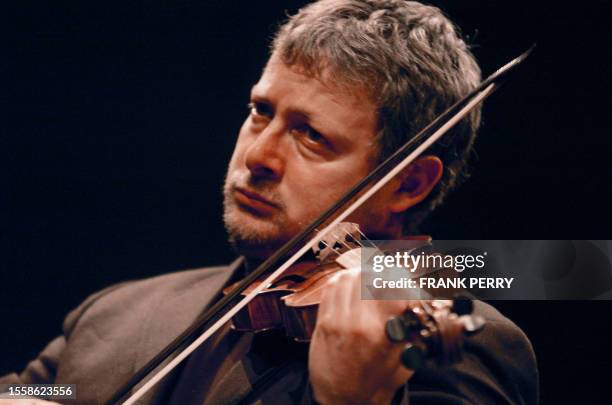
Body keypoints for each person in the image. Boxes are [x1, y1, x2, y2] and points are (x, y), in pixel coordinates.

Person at [1, 1, 538, 404]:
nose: (259, 155)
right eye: (261, 111)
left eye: (311, 136)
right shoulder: (118, 310)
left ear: (410, 183)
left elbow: (574, 268)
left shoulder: (455, 352)